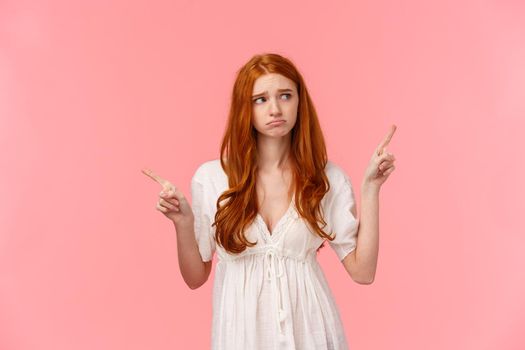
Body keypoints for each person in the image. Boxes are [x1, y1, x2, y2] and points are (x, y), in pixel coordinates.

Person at [142, 53, 397, 350]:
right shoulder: (212, 178)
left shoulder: (326, 178)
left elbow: (363, 272)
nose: (275, 109)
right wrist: (183, 222)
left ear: (300, 102)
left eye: (285, 96)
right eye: (260, 99)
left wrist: (371, 188)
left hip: (311, 332)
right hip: (240, 336)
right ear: (244, 108)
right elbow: (195, 277)